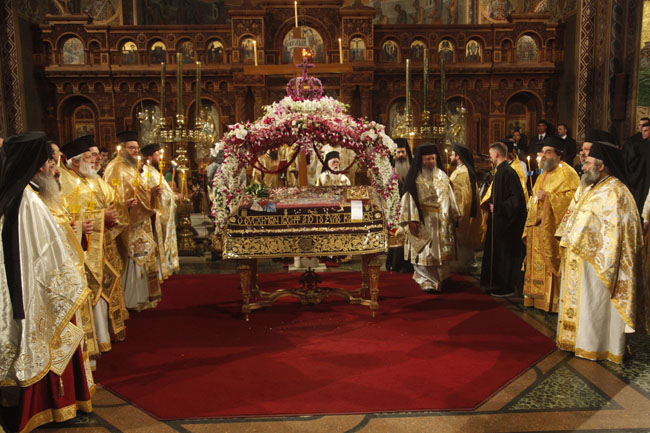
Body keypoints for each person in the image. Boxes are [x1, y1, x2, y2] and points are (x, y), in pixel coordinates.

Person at [0, 132, 93, 433]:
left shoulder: (14, 193)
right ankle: (48, 406)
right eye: (49, 161)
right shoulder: (29, 201)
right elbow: (46, 254)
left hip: (21, 288)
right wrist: (69, 284)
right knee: (45, 341)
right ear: (38, 164)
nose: (53, 167)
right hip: (37, 291)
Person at [555, 141, 643, 364]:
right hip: (580, 262)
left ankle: (597, 346)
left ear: (601, 166)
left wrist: (589, 246)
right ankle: (576, 342)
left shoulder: (617, 192)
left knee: (595, 305)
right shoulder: (591, 188)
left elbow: (619, 234)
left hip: (600, 266)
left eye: (588, 163)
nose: (583, 167)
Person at [60, 135, 129, 357]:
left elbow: (110, 200)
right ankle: (96, 339)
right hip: (86, 249)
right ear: (75, 161)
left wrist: (114, 212)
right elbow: (68, 217)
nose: (95, 160)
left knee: (107, 286)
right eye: (89, 157)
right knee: (93, 291)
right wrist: (102, 217)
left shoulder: (91, 178)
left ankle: (106, 333)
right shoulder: (67, 182)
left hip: (104, 243)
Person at [103, 131, 161, 311]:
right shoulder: (114, 168)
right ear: (122, 149)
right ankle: (129, 300)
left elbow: (141, 192)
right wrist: (124, 206)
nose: (136, 151)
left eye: (137, 148)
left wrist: (153, 193)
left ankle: (143, 297)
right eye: (131, 148)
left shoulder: (132, 167)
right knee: (132, 259)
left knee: (142, 256)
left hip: (141, 220)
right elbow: (110, 198)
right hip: (128, 222)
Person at [522, 136, 580, 312]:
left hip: (550, 228)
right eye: (543, 152)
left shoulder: (568, 173)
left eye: (548, 152)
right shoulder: (543, 173)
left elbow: (574, 200)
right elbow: (535, 197)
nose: (544, 156)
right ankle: (533, 299)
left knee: (550, 263)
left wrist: (549, 198)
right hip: (536, 227)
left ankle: (550, 302)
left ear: (558, 155)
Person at [399, 143, 460, 293]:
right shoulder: (415, 178)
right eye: (427, 159)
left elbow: (450, 196)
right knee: (424, 251)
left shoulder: (443, 176)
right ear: (421, 160)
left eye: (433, 158)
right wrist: (412, 219)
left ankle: (440, 278)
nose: (431, 162)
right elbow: (409, 199)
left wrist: (454, 213)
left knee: (439, 252)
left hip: (441, 222)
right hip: (423, 220)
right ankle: (426, 280)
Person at [480, 141, 527, 297]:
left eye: (491, 154)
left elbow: (516, 200)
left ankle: (505, 286)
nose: (490, 157)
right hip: (499, 221)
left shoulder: (507, 172)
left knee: (505, 256)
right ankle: (495, 283)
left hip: (506, 224)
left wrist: (499, 207)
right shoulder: (500, 171)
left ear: (497, 154)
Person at [140, 142, 180, 278]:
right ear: (149, 157)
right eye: (157, 155)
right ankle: (158, 270)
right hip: (156, 214)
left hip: (159, 213)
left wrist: (171, 194)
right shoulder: (147, 173)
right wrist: (174, 197)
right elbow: (154, 194)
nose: (160, 158)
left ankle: (163, 269)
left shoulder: (155, 172)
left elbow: (164, 192)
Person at [449, 144, 482, 273]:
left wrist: (455, 214)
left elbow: (459, 197)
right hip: (465, 212)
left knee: (461, 240)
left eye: (452, 154)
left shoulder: (461, 174)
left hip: (460, 212)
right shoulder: (463, 170)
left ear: (458, 157)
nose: (450, 156)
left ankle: (460, 264)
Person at [386, 139, 413, 273]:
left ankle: (408, 264)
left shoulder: (412, 169)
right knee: (396, 235)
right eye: (398, 152)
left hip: (410, 209)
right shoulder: (389, 169)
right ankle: (394, 263)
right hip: (394, 208)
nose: (401, 155)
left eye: (403, 152)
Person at [622, 121, 650, 218]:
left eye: (646, 131)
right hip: (642, 180)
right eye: (642, 130)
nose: (643, 133)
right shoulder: (636, 143)